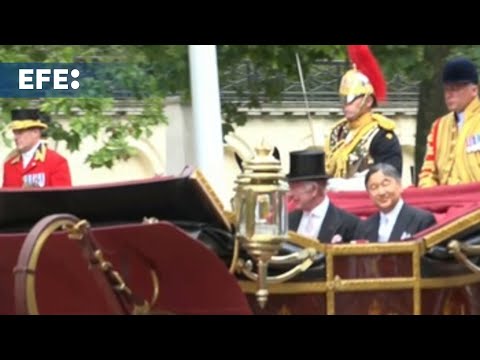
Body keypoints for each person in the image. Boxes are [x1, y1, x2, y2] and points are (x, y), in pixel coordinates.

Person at [324, 45, 402, 191]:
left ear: (368, 101)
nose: (346, 104)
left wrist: (345, 185)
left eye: (352, 98)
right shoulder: (337, 132)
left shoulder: (382, 136)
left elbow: (390, 178)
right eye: (343, 99)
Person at [418, 57, 480, 187]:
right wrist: (432, 197)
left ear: (474, 90)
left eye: (455, 88)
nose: (449, 94)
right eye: (446, 89)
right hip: (444, 202)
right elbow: (428, 172)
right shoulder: (439, 126)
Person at [286, 149, 363, 244]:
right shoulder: (288, 221)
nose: (289, 194)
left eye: (294, 188)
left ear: (314, 189)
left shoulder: (349, 225)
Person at [362, 163, 436, 242]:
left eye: (385, 184)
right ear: (369, 194)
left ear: (400, 185)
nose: (381, 192)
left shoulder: (422, 220)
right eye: (374, 187)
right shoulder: (365, 226)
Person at [3, 109, 72, 188]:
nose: (15, 137)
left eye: (20, 132)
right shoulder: (9, 165)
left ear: (35, 132)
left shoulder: (56, 162)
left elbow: (64, 198)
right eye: (14, 133)